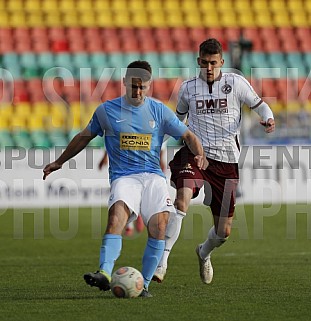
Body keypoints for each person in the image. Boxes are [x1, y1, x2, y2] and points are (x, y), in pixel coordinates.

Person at [43, 60, 206, 298]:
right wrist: (60, 161)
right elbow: (83, 136)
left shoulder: (159, 111)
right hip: (124, 177)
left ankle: (145, 285)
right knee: (116, 217)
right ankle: (105, 273)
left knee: (159, 227)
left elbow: (189, 135)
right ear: (124, 82)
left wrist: (200, 155)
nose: (137, 91)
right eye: (133, 86)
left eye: (142, 87)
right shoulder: (106, 111)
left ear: (149, 86)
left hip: (152, 177)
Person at [153, 38, 275, 284]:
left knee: (223, 232)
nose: (209, 68)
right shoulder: (188, 89)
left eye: (213, 63)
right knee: (182, 198)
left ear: (222, 62)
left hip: (226, 164)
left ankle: (203, 252)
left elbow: (260, 105)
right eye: (205, 63)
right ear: (199, 61)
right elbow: (176, 123)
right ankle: (161, 262)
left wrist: (269, 118)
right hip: (196, 155)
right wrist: (159, 147)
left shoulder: (236, 83)